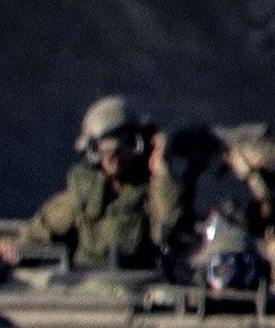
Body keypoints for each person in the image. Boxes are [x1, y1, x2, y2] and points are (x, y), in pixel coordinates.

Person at [28, 96, 183, 272]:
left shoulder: (152, 192)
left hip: (140, 285)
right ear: (92, 150)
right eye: (104, 147)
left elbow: (169, 230)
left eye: (124, 144)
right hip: (88, 288)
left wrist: (161, 172)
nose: (113, 156)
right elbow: (35, 235)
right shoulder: (82, 196)